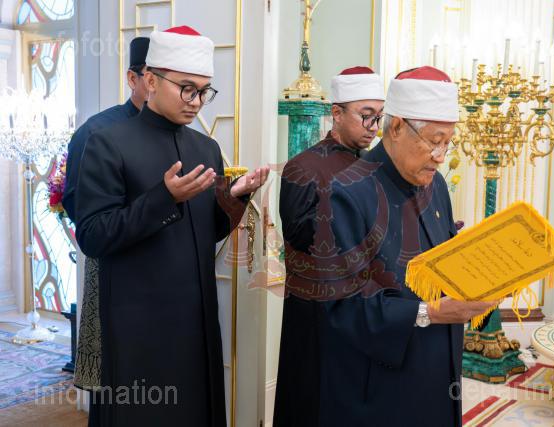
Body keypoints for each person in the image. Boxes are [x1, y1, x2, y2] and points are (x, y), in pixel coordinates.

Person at [278, 66, 496, 427]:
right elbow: (343, 309)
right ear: (396, 128)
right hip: (377, 389)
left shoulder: (435, 186)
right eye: (434, 141)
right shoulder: (346, 193)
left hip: (437, 371)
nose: (441, 156)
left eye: (448, 142)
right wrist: (433, 312)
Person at [74, 26, 269, 426]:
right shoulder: (107, 142)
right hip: (137, 325)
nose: (196, 102)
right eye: (187, 89)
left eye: (204, 91)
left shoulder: (206, 148)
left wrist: (235, 198)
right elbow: (93, 235)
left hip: (196, 321)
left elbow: (207, 232)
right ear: (150, 80)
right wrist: (163, 197)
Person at [274, 66, 385, 426]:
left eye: (379, 117)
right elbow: (298, 239)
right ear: (337, 113)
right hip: (317, 313)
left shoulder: (376, 167)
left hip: (366, 308)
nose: (374, 126)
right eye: (366, 116)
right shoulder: (303, 166)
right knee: (313, 401)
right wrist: (345, 207)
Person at [62, 36, 150, 423]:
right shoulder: (97, 131)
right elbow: (78, 203)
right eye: (152, 76)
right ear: (133, 78)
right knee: (115, 374)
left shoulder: (179, 133)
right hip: (114, 261)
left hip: (163, 270)